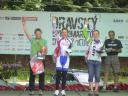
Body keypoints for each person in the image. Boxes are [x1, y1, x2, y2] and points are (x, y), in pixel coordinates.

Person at [22, 17, 47, 95]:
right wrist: (24, 24)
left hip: (40, 60)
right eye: (36, 33)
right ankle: (31, 90)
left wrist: (43, 51)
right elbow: (26, 32)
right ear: (35, 34)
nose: (38, 35)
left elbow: (45, 51)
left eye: (39, 33)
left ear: (41, 34)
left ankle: (41, 90)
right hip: (33, 60)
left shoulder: (44, 41)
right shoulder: (32, 40)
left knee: (41, 76)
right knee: (32, 76)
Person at [84, 24, 103, 96]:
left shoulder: (101, 42)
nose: (95, 35)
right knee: (91, 75)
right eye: (94, 34)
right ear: (92, 35)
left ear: (99, 34)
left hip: (98, 61)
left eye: (96, 34)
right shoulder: (90, 40)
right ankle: (91, 90)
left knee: (97, 76)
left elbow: (102, 52)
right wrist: (86, 25)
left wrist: (101, 52)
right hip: (90, 61)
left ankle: (96, 90)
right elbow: (85, 33)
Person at [53, 28, 72, 96]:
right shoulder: (59, 39)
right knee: (58, 75)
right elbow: (55, 31)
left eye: (65, 32)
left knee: (64, 75)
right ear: (62, 33)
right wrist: (54, 22)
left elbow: (70, 49)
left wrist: (69, 52)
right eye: (63, 32)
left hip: (66, 58)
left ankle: (63, 90)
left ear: (67, 33)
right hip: (59, 58)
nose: (64, 33)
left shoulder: (70, 40)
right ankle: (57, 90)